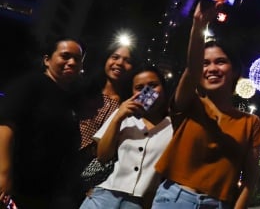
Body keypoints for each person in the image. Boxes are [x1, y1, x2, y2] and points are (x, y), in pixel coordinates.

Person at [152, 1, 260, 209]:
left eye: (220, 62)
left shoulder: (251, 123)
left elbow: (250, 182)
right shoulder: (189, 103)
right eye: (206, 63)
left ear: (234, 71)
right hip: (173, 200)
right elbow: (192, 69)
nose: (212, 68)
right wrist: (198, 24)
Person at [0, 37, 85, 208]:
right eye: (65, 56)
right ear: (47, 60)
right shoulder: (31, 84)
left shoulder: (70, 99)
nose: (71, 62)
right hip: (15, 185)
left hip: (42, 193)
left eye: (77, 59)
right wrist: (3, 174)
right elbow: (5, 125)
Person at [79, 65, 173, 209]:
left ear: (164, 88)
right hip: (104, 195)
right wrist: (118, 118)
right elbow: (103, 156)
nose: (147, 92)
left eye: (153, 85)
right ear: (132, 92)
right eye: (139, 88)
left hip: (140, 203)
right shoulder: (122, 116)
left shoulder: (173, 126)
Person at [77, 43, 136, 198]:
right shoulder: (84, 87)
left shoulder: (130, 104)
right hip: (66, 156)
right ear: (106, 59)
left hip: (94, 171)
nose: (119, 63)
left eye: (127, 60)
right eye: (115, 57)